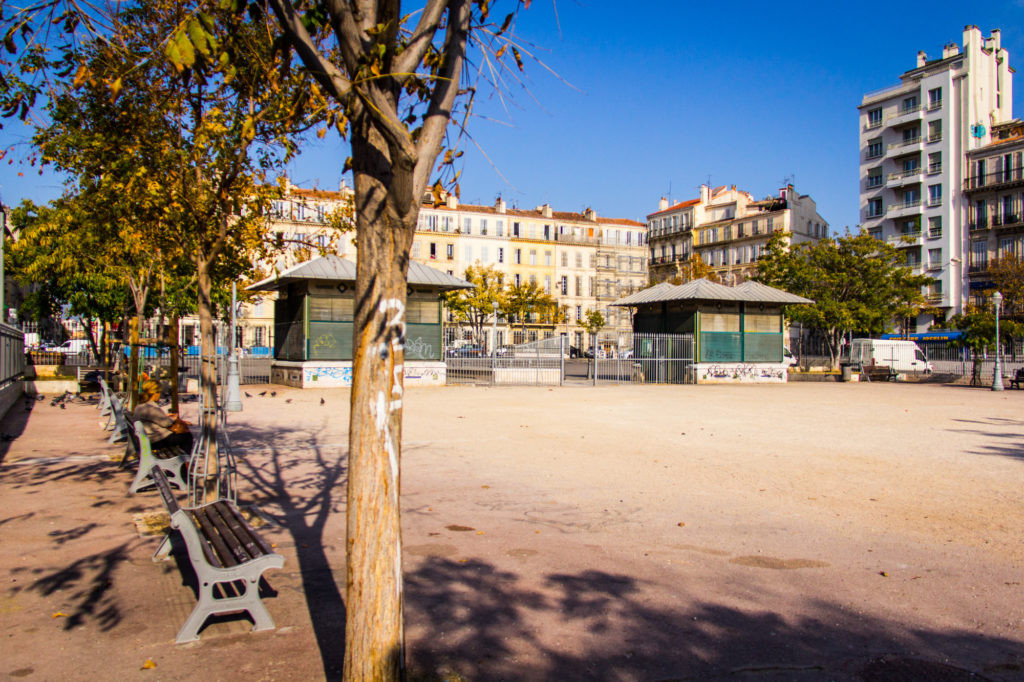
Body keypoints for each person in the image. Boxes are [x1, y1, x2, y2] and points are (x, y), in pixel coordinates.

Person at [132, 380, 194, 452]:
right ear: (155, 393)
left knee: (181, 436)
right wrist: (173, 418)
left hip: (146, 438)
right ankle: (185, 458)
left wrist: (167, 417)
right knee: (186, 436)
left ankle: (182, 457)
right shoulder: (150, 408)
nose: (160, 394)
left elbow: (155, 418)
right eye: (160, 392)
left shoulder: (140, 406)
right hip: (155, 439)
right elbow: (166, 423)